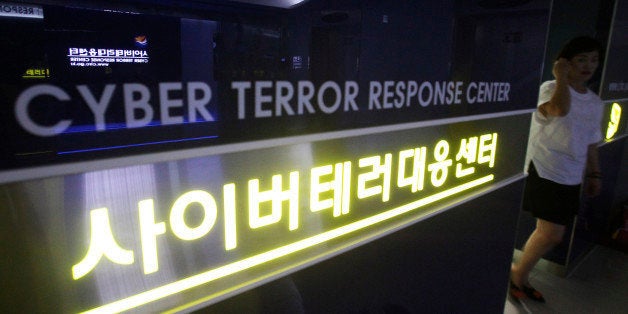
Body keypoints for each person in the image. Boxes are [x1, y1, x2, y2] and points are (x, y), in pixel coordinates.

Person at [510, 36, 604, 302]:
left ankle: (519, 274)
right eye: (581, 59)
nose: (589, 66)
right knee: (552, 233)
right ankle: (518, 275)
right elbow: (560, 109)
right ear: (565, 63)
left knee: (550, 233)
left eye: (594, 60)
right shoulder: (550, 88)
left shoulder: (595, 102)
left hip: (572, 174)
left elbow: (591, 141)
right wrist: (561, 77)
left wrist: (595, 173)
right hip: (546, 167)